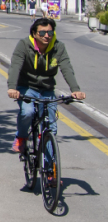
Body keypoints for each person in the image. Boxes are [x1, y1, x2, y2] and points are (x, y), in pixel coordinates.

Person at [7, 18, 85, 152]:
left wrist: (75, 89)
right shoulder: (24, 45)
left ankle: (50, 164)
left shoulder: (58, 47)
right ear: (34, 33)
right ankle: (22, 136)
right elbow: (15, 66)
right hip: (27, 87)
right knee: (28, 112)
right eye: (42, 33)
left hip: (47, 89)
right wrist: (12, 87)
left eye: (50, 32)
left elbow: (66, 68)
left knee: (51, 128)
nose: (47, 36)